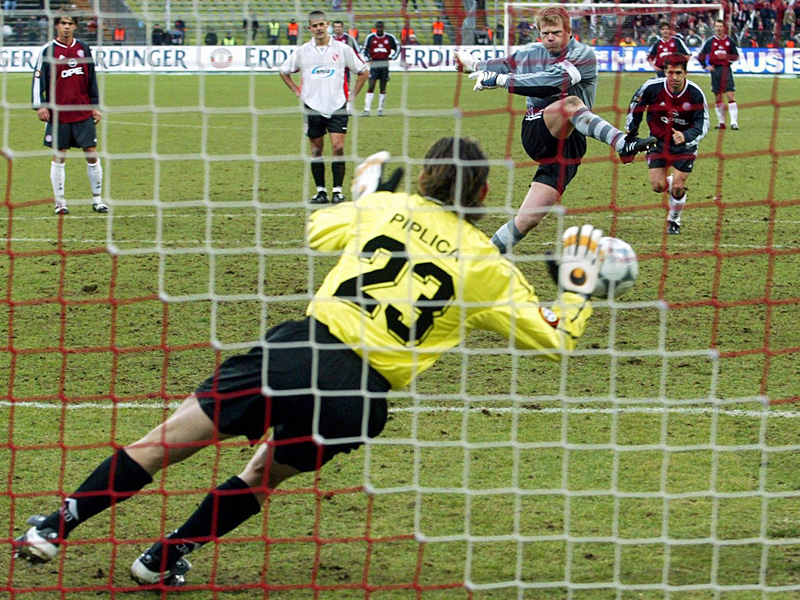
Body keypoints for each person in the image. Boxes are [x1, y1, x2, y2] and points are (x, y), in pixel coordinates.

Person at [12, 136, 604, 587]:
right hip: (359, 398)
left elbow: (319, 230)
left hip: (301, 352)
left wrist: (365, 197)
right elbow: (553, 339)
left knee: (165, 443)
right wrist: (580, 285)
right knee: (261, 478)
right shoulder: (486, 266)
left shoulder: (389, 206)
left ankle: (53, 529)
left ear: (426, 176)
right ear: (482, 194)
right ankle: (164, 557)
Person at [454, 5, 655, 253]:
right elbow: (503, 65)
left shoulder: (583, 55)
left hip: (572, 142)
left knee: (528, 218)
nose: (550, 38)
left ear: (569, 31)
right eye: (545, 33)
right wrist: (473, 64)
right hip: (537, 129)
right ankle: (623, 144)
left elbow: (551, 82)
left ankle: (481, 258)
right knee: (571, 104)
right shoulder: (531, 53)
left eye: (556, 33)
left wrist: (501, 80)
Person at [280, 10, 368, 205]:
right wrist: (295, 90)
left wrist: (352, 94)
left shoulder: (343, 49)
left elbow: (363, 71)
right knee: (316, 151)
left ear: (327, 25)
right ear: (310, 28)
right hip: (312, 107)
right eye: (315, 26)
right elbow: (284, 71)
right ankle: (321, 192)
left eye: (321, 24)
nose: (319, 28)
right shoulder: (303, 51)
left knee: (338, 147)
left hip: (337, 105)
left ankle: (337, 191)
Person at [31, 10, 107, 215]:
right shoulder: (48, 50)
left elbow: (91, 79)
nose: (66, 27)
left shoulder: (83, 48)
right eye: (63, 23)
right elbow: (38, 79)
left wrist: (95, 106)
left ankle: (98, 200)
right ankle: (60, 203)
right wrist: (40, 105)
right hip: (59, 113)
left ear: (75, 26)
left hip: (82, 111)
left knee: (91, 153)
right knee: (59, 155)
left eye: (70, 23)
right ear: (57, 25)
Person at [625, 54, 709, 235]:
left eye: (678, 73)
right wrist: (631, 131)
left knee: (678, 187)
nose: (674, 77)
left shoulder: (695, 93)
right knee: (658, 186)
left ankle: (674, 220)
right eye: (670, 72)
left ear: (685, 73)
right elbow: (635, 107)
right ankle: (675, 182)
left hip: (685, 146)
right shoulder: (651, 87)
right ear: (665, 72)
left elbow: (703, 123)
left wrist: (686, 136)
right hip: (658, 142)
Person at [698, 19, 740, 130]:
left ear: (724, 28)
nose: (719, 28)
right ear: (714, 28)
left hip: (726, 69)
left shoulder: (729, 41)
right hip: (715, 70)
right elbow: (701, 56)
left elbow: (735, 56)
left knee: (730, 95)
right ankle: (721, 122)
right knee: (718, 96)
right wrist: (705, 66)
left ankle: (734, 122)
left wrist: (727, 58)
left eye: (720, 26)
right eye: (717, 26)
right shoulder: (710, 42)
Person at [362, 21, 400, 116]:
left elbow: (398, 47)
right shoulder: (370, 37)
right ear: (375, 28)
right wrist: (368, 59)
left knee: (383, 87)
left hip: (384, 64)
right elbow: (364, 50)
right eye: (378, 28)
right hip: (374, 64)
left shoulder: (389, 38)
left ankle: (380, 109)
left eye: (381, 27)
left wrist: (393, 57)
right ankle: (367, 109)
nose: (379, 29)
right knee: (371, 85)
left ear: (383, 28)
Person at [332, 19, 361, 113]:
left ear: (343, 28)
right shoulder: (330, 39)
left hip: (345, 67)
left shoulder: (349, 39)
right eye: (335, 27)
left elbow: (357, 51)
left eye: (339, 27)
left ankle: (348, 107)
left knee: (346, 86)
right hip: (333, 67)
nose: (337, 29)